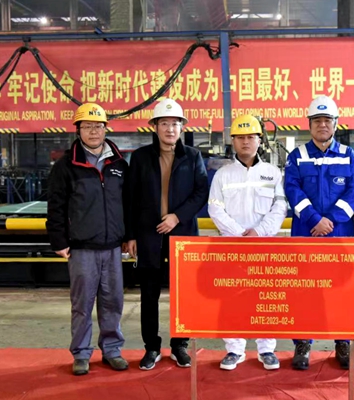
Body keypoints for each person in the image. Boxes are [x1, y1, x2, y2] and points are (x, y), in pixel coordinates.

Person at [47, 103, 130, 376]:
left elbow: (128, 204)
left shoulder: (119, 164)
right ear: (78, 130)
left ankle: (112, 350)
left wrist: (128, 236)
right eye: (87, 126)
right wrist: (59, 241)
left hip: (113, 247)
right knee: (82, 304)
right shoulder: (66, 166)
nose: (93, 131)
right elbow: (55, 206)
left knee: (113, 301)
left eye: (98, 126)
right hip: (81, 247)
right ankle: (81, 353)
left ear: (106, 129)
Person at [126, 98, 208, 371]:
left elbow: (201, 192)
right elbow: (131, 198)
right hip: (148, 235)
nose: (170, 129)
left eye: (175, 123)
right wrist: (131, 235)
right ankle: (151, 347)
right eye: (164, 123)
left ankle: (179, 345)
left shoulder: (192, 157)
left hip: (181, 235)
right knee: (149, 294)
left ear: (182, 127)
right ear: (155, 127)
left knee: (182, 293)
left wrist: (177, 216)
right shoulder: (140, 158)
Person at [284, 95, 354, 370]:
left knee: (341, 290)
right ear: (309, 124)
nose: (322, 125)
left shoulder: (349, 156)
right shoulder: (297, 156)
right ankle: (303, 343)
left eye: (327, 120)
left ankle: (343, 342)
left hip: (339, 233)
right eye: (316, 120)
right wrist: (314, 219)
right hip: (306, 232)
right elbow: (292, 189)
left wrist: (330, 220)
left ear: (335, 123)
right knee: (304, 290)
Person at [208, 115, 287, 371]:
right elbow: (215, 208)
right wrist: (239, 233)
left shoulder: (272, 173)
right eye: (240, 137)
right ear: (233, 141)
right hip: (232, 247)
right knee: (232, 298)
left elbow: (280, 207)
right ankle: (234, 349)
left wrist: (259, 233)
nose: (245, 142)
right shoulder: (222, 175)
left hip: (263, 246)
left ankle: (266, 349)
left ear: (259, 140)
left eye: (250, 137)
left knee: (265, 299)